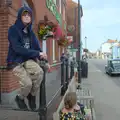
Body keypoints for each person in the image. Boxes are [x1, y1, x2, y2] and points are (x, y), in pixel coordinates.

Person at [6, 6, 48, 111]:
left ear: (31, 17)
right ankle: (19, 98)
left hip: (28, 60)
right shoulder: (13, 29)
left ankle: (32, 96)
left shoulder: (31, 33)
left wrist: (43, 57)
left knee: (39, 73)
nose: (26, 16)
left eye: (28, 15)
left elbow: (37, 48)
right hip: (16, 61)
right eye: (24, 15)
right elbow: (17, 48)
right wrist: (37, 53)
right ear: (20, 16)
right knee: (27, 83)